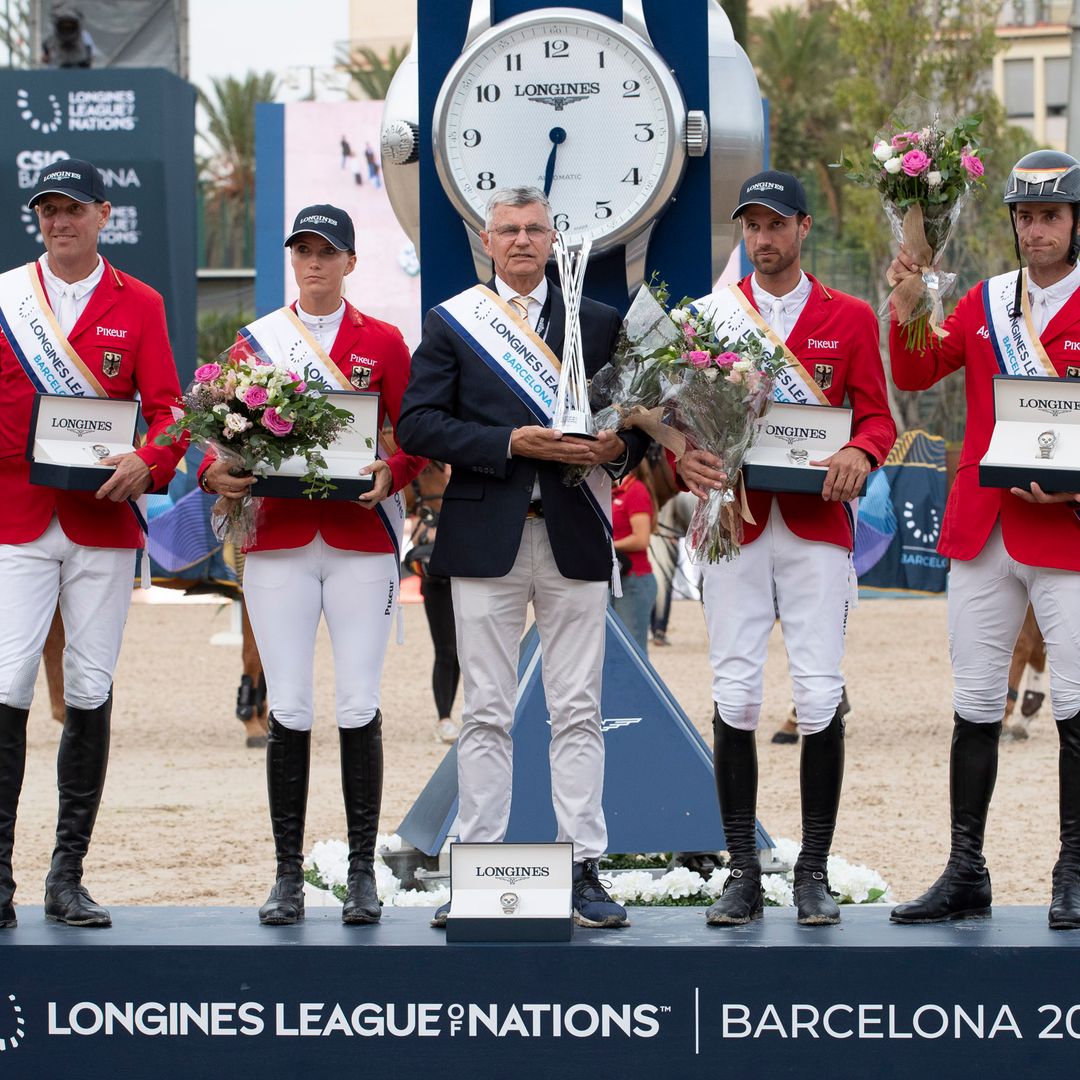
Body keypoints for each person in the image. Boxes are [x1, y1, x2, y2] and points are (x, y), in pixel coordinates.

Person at [397, 186, 650, 929]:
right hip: (487, 535)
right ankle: (477, 866)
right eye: (508, 229)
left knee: (579, 709)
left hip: (573, 530)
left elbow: (634, 421)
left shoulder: (598, 323)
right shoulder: (453, 325)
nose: (521, 241)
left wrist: (619, 449)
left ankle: (583, 868)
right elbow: (418, 424)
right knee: (485, 709)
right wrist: (509, 443)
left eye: (535, 229)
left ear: (553, 240)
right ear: (486, 240)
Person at [677, 170, 896, 927]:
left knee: (818, 693)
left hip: (816, 528)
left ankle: (811, 872)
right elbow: (681, 426)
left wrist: (863, 456)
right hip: (734, 523)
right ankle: (741, 869)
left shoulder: (852, 316)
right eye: (752, 226)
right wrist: (685, 459)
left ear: (803, 228)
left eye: (776, 225)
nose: (763, 239)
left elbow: (878, 419)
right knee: (734, 690)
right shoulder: (710, 317)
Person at [199, 204, 425, 926]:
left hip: (360, 542)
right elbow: (219, 438)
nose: (315, 262)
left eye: (328, 251)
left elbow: (415, 433)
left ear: (352, 262)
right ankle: (286, 875)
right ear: (291, 259)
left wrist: (393, 468)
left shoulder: (384, 341)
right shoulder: (255, 342)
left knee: (359, 703)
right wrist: (214, 471)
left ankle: (362, 873)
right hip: (279, 540)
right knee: (290, 705)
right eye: (304, 250)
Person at [887, 150, 1080, 930]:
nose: (1036, 231)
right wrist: (904, 304)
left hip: (1065, 528)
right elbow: (916, 372)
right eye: (1026, 217)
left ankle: (1073, 867)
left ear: (1075, 224)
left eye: (1051, 217)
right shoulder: (985, 300)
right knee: (972, 705)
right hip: (984, 527)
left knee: (1074, 704)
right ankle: (966, 868)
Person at [0, 159, 185, 928]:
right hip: (16, 514)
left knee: (90, 686)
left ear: (103, 214)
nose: (59, 221)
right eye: (48, 209)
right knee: (7, 682)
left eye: (73, 208)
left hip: (103, 522)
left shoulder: (138, 302)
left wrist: (152, 459)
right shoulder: (8, 297)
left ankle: (67, 873)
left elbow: (172, 408)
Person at [406, 461, 461, 744]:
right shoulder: (426, 475)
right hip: (437, 575)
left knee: (465, 650)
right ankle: (444, 717)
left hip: (467, 569)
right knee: (446, 649)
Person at [610, 464, 657, 653]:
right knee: (620, 649)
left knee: (633, 650)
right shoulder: (617, 492)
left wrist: (608, 545)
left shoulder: (636, 491)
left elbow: (641, 538)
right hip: (620, 579)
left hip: (634, 579)